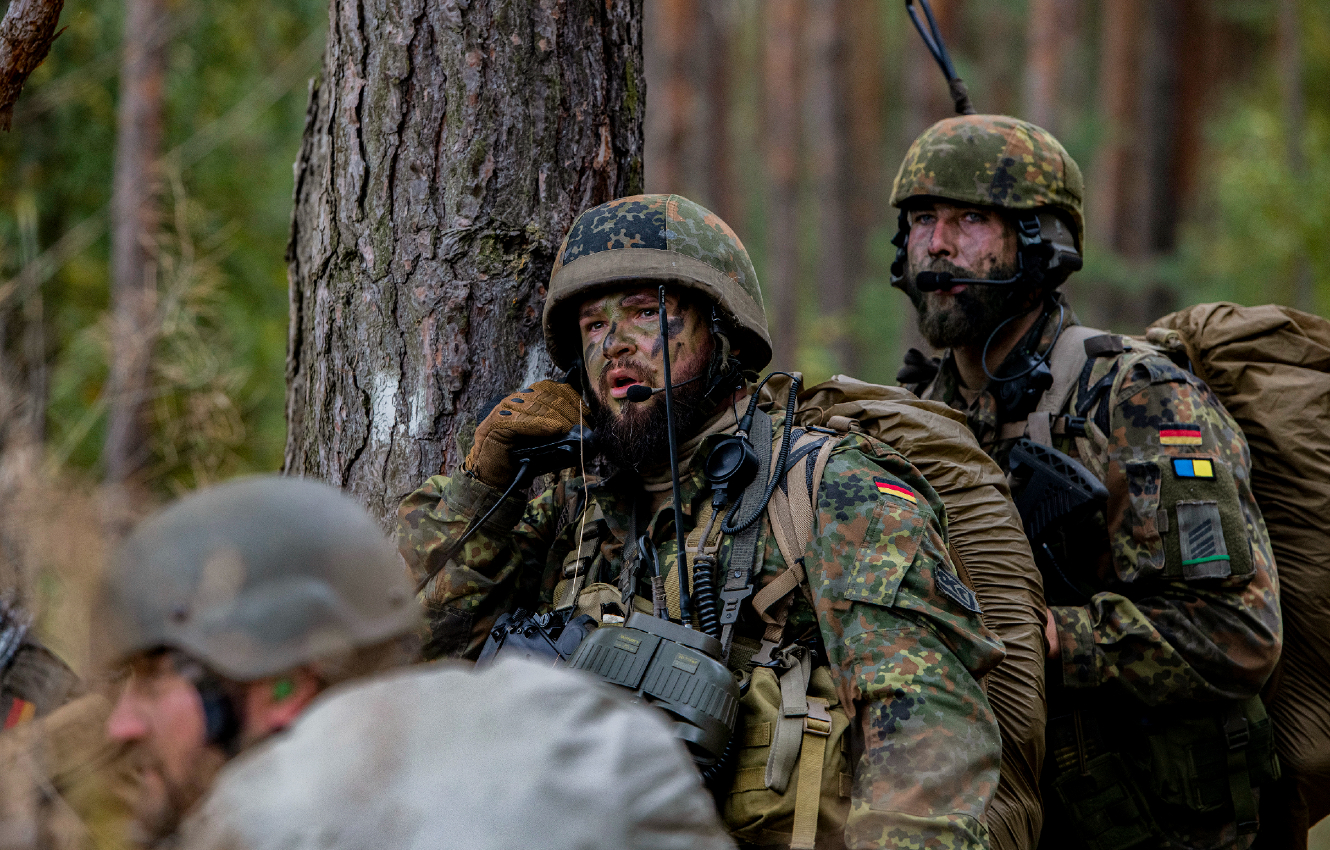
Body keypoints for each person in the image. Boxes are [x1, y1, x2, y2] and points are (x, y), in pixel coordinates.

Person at [398, 193, 1006, 849]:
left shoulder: (831, 490)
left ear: (722, 332)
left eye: (646, 314)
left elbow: (928, 744)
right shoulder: (570, 504)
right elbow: (395, 661)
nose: (616, 347)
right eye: (594, 327)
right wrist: (479, 484)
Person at [890, 114, 1282, 850]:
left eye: (970, 218)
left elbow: (1239, 633)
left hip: (1162, 825)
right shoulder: (921, 419)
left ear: (1040, 241)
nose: (936, 244)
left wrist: (1051, 638)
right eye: (921, 220)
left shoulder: (1139, 398)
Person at [99, 475, 731, 850]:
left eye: (154, 683)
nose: (121, 725)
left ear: (281, 689)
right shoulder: (602, 743)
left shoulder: (258, 824)